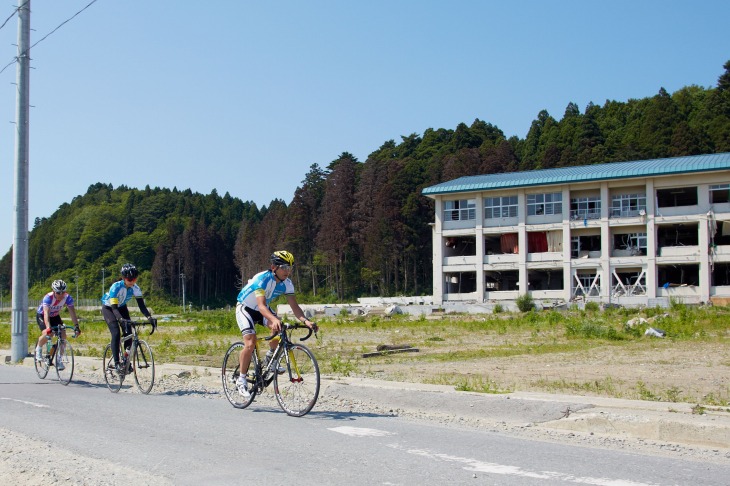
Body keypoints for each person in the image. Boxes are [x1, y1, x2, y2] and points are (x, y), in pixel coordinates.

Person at [234, 250, 317, 398]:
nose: (287, 271)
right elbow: (261, 306)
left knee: (279, 327)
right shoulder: (262, 279)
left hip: (262, 309)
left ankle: (270, 359)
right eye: (284, 267)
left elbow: (295, 307)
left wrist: (306, 321)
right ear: (274, 267)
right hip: (246, 307)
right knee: (250, 342)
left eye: (290, 267)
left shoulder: (287, 284)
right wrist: (274, 319)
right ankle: (241, 379)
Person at [101, 263, 157, 372]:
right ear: (123, 278)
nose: (131, 281)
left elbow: (142, 307)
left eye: (134, 279)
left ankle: (126, 360)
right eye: (129, 279)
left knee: (129, 332)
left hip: (121, 307)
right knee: (116, 332)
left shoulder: (136, 288)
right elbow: (114, 308)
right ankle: (116, 363)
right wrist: (121, 320)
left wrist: (149, 317)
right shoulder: (116, 287)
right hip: (109, 308)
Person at [34, 280, 81, 370]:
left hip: (55, 316)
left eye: (63, 292)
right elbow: (46, 313)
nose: (61, 294)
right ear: (54, 291)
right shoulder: (48, 298)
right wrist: (48, 327)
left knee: (63, 336)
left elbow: (72, 313)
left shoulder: (68, 298)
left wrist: (76, 326)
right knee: (48, 333)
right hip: (42, 315)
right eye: (58, 292)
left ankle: (58, 359)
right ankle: (39, 348)